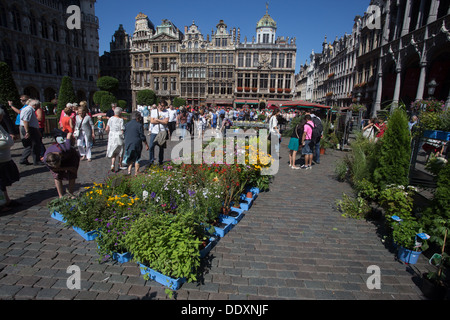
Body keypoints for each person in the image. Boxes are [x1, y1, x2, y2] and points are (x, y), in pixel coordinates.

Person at [0, 108, 20, 212]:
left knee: (2, 183)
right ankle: (1, 204)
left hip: (4, 159)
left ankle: (6, 200)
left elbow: (7, 140)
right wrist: (7, 142)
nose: (2, 118)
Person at [122, 111, 149, 176]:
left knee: (130, 158)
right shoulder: (139, 125)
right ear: (137, 118)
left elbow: (124, 133)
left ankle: (129, 171)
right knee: (137, 158)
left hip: (128, 143)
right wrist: (146, 144)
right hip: (136, 143)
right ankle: (136, 172)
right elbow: (142, 136)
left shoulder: (127, 124)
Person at [19, 99, 43, 165]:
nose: (39, 107)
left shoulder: (26, 109)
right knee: (35, 144)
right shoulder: (29, 110)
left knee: (29, 145)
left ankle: (23, 159)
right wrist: (27, 131)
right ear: (34, 105)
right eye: (38, 105)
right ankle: (36, 161)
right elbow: (25, 120)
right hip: (30, 128)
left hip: (29, 128)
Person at [149, 101, 169, 165]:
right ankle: (151, 161)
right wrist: (162, 121)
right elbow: (152, 121)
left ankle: (160, 161)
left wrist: (157, 120)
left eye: (163, 106)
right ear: (159, 104)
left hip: (162, 131)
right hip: (154, 131)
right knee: (151, 146)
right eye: (161, 105)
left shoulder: (166, 112)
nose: (162, 107)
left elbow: (166, 122)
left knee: (161, 147)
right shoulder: (153, 111)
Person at [105, 107, 125, 172]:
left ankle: (112, 164)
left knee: (113, 151)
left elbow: (107, 128)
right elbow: (122, 129)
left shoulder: (110, 119)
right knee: (120, 150)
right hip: (118, 135)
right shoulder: (121, 120)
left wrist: (109, 134)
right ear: (120, 113)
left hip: (112, 136)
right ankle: (120, 164)